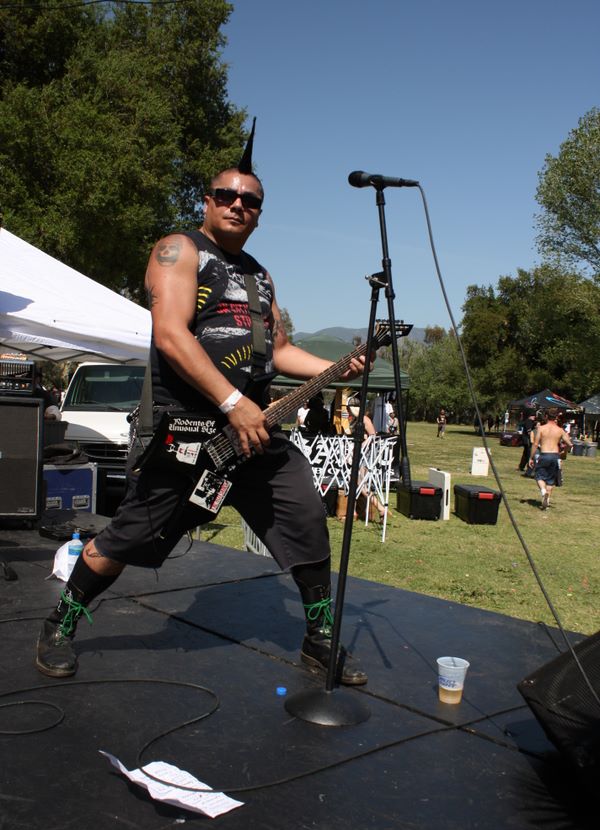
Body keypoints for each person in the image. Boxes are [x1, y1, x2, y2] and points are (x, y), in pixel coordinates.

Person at [35, 122, 369, 686]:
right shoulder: (179, 250)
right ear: (208, 202)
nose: (238, 204)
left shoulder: (260, 276)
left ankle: (318, 641)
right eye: (227, 195)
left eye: (250, 201)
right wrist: (232, 400)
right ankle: (59, 624)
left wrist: (338, 368)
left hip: (255, 434)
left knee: (308, 518)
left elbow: (278, 350)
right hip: (189, 435)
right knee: (126, 539)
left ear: (259, 214)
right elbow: (171, 335)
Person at [346, 401, 386, 523]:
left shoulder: (364, 419)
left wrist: (361, 445)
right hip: (358, 454)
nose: (347, 411)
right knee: (354, 483)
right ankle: (353, 512)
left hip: (364, 455)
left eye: (349, 408)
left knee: (361, 485)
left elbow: (373, 436)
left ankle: (381, 508)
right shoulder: (356, 419)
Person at [528, 411, 573, 509]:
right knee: (550, 479)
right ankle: (547, 500)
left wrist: (531, 458)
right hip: (555, 456)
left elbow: (535, 444)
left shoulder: (541, 428)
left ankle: (543, 492)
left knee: (539, 476)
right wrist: (564, 452)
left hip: (544, 454)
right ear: (556, 418)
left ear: (546, 416)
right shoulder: (560, 430)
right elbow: (570, 444)